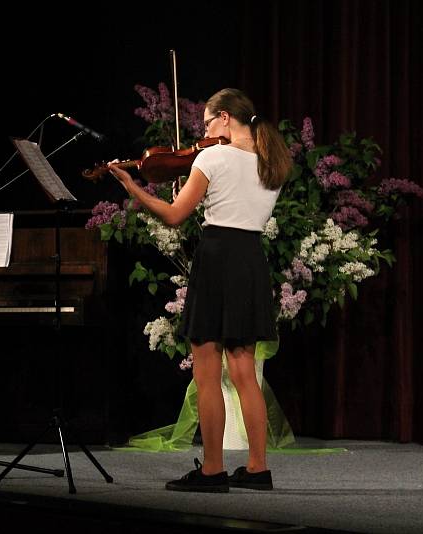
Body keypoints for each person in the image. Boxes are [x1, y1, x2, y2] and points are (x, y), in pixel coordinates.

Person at [108, 88, 292, 492]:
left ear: (225, 118)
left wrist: (131, 187)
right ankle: (258, 468)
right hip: (249, 260)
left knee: (207, 374)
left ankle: (212, 470)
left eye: (208, 122)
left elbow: (174, 216)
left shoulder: (213, 156)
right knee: (245, 374)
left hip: (218, 259)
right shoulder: (270, 162)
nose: (205, 131)